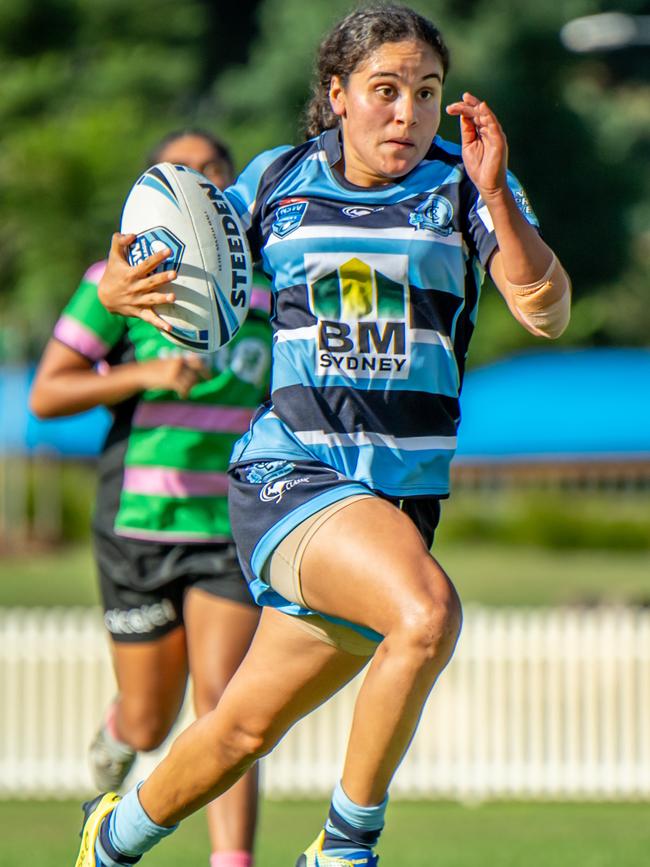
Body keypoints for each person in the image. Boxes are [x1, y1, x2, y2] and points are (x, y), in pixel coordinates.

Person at [74, 5, 571, 866]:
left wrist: (496, 194)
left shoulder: (465, 188)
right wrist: (125, 282)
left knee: (239, 728)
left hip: (395, 509)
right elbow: (175, 253)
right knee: (426, 614)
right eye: (385, 91)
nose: (407, 114)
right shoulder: (276, 181)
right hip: (292, 478)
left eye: (426, 93)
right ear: (337, 95)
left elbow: (548, 311)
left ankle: (109, 838)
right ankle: (345, 849)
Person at [30, 129, 272, 867]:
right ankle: (118, 736)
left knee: (227, 702)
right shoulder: (121, 281)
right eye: (181, 170)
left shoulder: (270, 283)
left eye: (213, 170)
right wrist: (142, 376)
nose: (199, 182)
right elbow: (48, 393)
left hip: (229, 518)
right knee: (148, 720)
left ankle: (231, 861)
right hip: (138, 522)